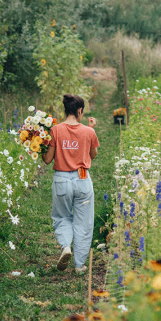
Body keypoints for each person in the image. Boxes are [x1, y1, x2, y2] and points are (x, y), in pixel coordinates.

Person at [43, 93, 99, 273]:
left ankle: (66, 246)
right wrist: (91, 130)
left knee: (62, 217)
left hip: (61, 179)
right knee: (83, 222)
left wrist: (39, 143)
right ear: (80, 111)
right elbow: (93, 155)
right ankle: (79, 265)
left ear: (65, 110)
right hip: (82, 179)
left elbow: (47, 160)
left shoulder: (56, 130)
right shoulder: (89, 132)